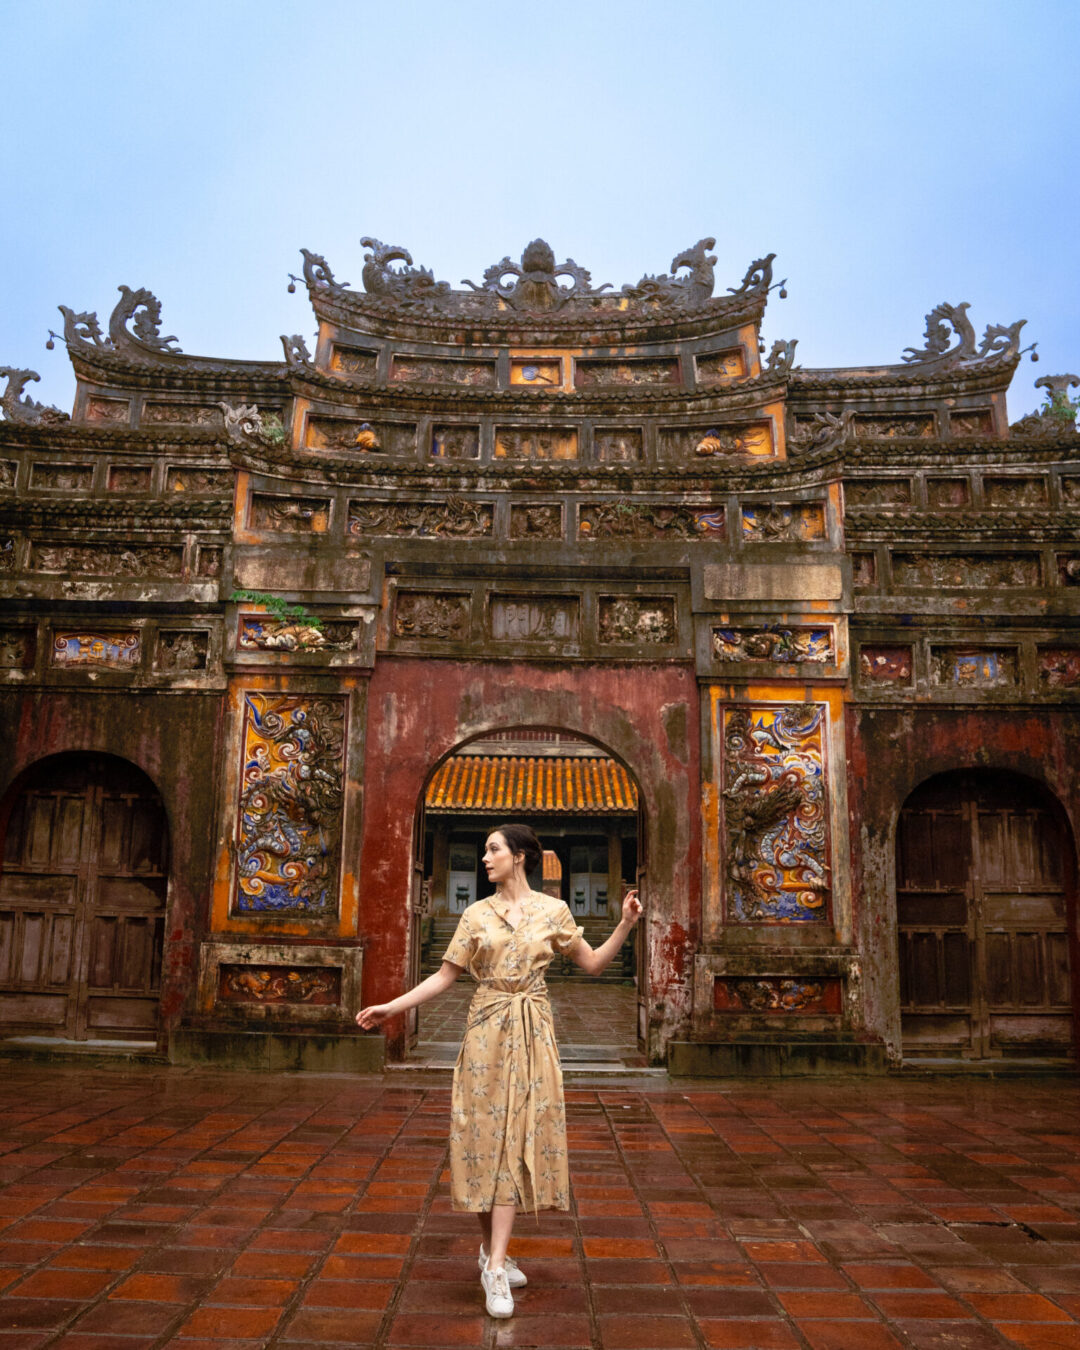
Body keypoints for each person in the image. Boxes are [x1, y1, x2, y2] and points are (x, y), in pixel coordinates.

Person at [356, 822, 643, 1319]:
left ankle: (494, 1267)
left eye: (493, 850)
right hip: (485, 1033)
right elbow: (445, 977)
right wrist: (391, 1007)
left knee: (515, 1139)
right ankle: (493, 1252)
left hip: (532, 1032)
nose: (485, 858)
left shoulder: (553, 911)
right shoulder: (474, 915)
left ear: (520, 856)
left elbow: (593, 963)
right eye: (485, 850)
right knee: (482, 1139)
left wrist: (625, 924)